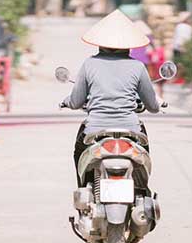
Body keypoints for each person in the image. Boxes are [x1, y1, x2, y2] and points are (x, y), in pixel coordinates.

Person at [62, 10, 161, 181]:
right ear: (128, 44)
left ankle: (84, 187)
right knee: (144, 154)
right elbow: (152, 106)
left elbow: (77, 101)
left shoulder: (89, 64)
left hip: (95, 129)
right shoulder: (137, 66)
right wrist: (158, 104)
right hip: (131, 129)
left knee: (78, 153)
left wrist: (67, 102)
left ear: (100, 43)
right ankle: (142, 189)